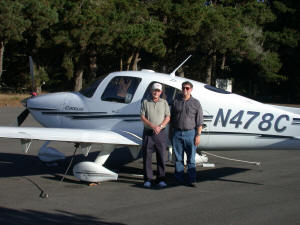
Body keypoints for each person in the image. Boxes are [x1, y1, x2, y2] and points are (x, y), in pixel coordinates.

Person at [170, 81, 203, 187]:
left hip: (191, 133)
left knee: (191, 159)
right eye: (183, 88)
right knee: (178, 158)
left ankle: (191, 179)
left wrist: (198, 135)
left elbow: (199, 121)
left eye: (187, 88)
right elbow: (171, 118)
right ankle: (178, 178)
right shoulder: (176, 101)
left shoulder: (196, 103)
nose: (185, 90)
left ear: (191, 89)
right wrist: (171, 133)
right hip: (177, 133)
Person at [140, 83, 170, 188]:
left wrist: (160, 126)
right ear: (151, 91)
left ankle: (161, 179)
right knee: (147, 157)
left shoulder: (164, 102)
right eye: (154, 90)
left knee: (161, 156)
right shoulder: (145, 102)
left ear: (161, 92)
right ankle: (148, 179)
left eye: (158, 90)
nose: (156, 92)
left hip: (160, 133)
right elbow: (142, 117)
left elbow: (168, 117)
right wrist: (152, 125)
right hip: (148, 133)